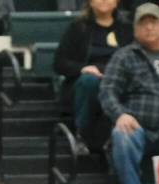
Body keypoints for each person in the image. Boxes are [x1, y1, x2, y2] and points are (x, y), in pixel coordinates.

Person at [100, 4, 159, 184]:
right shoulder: (124, 56)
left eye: (153, 22)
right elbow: (108, 91)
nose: (149, 27)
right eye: (143, 23)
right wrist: (120, 114)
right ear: (135, 29)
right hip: (141, 128)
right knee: (122, 135)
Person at [54, 0, 133, 152]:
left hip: (117, 80)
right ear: (90, 2)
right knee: (90, 81)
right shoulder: (78, 27)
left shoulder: (127, 28)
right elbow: (59, 63)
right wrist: (82, 68)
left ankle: (117, 137)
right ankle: (81, 135)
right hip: (86, 83)